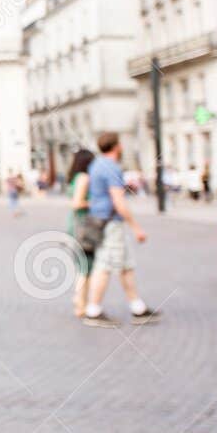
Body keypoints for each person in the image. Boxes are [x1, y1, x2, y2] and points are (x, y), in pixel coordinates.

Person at [82, 132, 159, 327]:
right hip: (110, 223)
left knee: (125, 265)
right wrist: (136, 227)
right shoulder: (112, 168)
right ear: (116, 146)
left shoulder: (96, 165)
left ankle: (137, 307)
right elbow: (119, 201)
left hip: (99, 219)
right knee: (105, 265)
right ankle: (93, 310)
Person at [64, 148, 96, 319]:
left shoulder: (75, 178)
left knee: (83, 267)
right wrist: (95, 202)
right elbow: (77, 203)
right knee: (86, 268)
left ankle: (80, 300)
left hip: (75, 225)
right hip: (83, 227)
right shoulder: (84, 178)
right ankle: (80, 303)